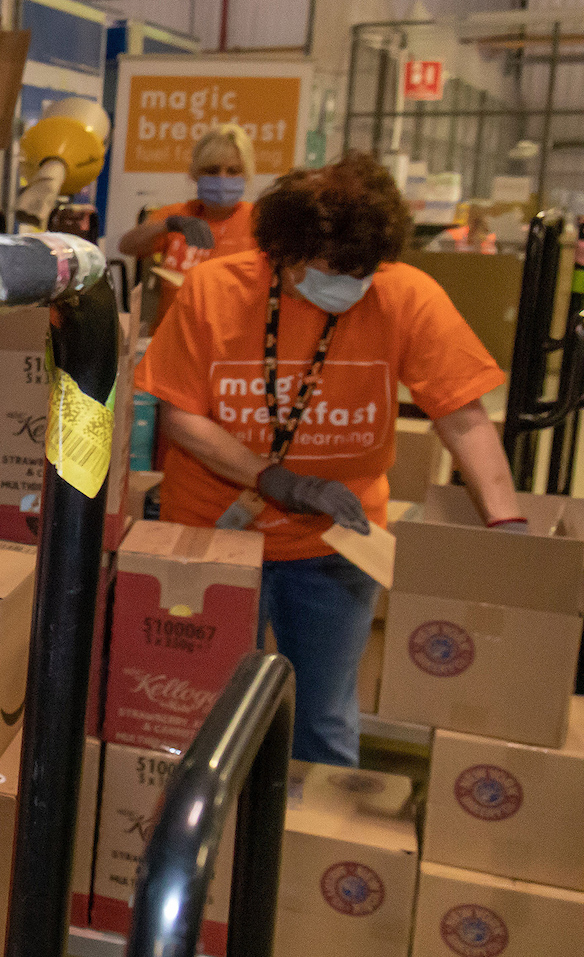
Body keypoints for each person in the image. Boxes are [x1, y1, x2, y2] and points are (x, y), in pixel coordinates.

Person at [134, 150, 524, 764]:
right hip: (211, 537)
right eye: (329, 269)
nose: (347, 283)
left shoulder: (406, 295)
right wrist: (271, 478)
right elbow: (180, 415)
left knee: (322, 720)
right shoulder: (216, 290)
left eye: (361, 270)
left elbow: (462, 414)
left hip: (337, 547)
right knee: (195, 712)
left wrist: (507, 522)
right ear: (283, 252)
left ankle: (316, 846)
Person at [117, 124, 259, 326]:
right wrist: (167, 225)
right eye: (212, 170)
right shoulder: (177, 214)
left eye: (233, 171)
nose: (222, 178)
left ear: (245, 175)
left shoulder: (257, 220)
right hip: (171, 334)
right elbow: (126, 246)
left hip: (229, 336)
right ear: (195, 174)